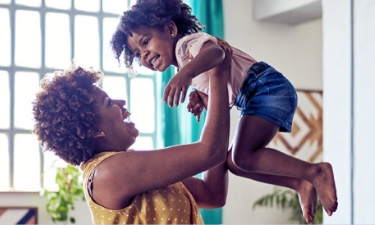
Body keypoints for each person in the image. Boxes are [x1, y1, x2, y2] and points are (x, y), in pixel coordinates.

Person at [109, 0, 338, 223]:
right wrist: (200, 94)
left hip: (265, 87)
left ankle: (315, 172)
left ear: (170, 29)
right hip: (256, 94)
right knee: (236, 163)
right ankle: (299, 182)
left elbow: (217, 54)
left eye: (146, 41)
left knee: (242, 156)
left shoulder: (187, 45)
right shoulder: (184, 62)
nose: (144, 54)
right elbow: (220, 84)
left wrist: (186, 74)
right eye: (138, 53)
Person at [32, 40, 233, 224]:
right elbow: (211, 152)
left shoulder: (128, 169)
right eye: (108, 103)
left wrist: (210, 103)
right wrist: (217, 76)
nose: (122, 103)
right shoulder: (108, 173)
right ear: (94, 130)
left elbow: (212, 194)